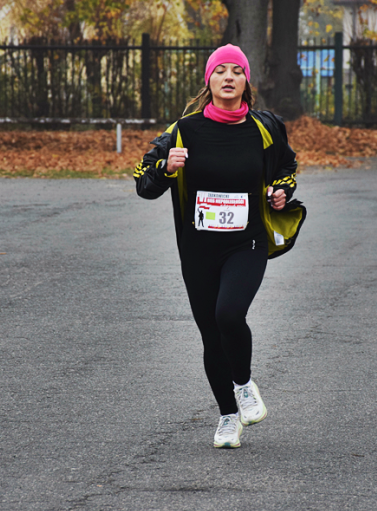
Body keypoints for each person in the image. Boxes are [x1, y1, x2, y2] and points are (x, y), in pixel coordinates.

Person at [134, 44, 306, 448]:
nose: (228, 77)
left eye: (236, 71)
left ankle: (244, 384)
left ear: (247, 82)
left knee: (229, 314)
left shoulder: (266, 128)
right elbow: (143, 183)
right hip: (198, 250)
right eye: (220, 71)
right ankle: (228, 417)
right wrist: (166, 168)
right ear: (208, 80)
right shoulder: (183, 131)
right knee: (211, 334)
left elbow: (286, 167)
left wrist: (281, 190)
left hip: (246, 242)